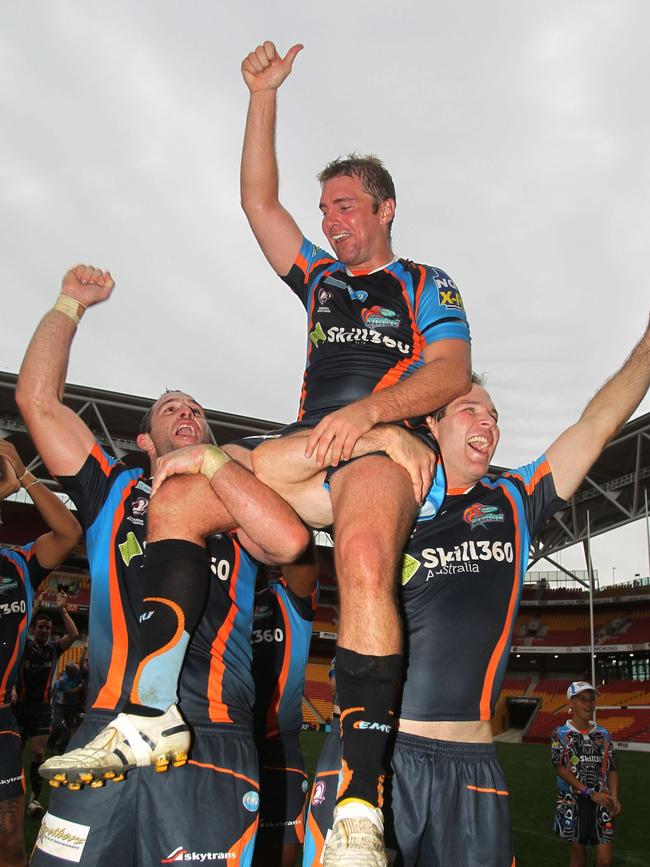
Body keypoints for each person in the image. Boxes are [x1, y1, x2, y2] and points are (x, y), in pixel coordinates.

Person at [287, 315, 648, 865]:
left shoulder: (514, 500)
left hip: (473, 768)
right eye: (471, 409)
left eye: (494, 416)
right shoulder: (380, 493)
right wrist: (380, 434)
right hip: (375, 755)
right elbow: (284, 489)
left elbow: (597, 424)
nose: (488, 422)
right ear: (431, 425)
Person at [234, 40, 473, 865]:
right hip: (309, 455)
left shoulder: (425, 283)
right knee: (191, 485)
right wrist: (264, 96)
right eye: (326, 208)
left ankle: (361, 805)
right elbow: (260, 204)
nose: (331, 221)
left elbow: (450, 371)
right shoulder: (319, 280)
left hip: (384, 452)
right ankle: (146, 706)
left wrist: (375, 415)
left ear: (385, 208)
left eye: (344, 206)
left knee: (364, 554)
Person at [16, 265, 309, 864]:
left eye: (195, 409)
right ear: (146, 441)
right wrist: (69, 304)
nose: (186, 413)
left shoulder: (237, 493)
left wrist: (221, 465)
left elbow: (285, 545)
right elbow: (36, 401)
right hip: (106, 729)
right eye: (170, 408)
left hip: (212, 732)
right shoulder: (115, 492)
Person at [0, 440, 81, 867]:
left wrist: (24, 476)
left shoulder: (17, 565)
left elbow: (69, 533)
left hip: (2, 719)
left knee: (10, 841)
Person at [251, 550, 318, 867]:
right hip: (230, 747)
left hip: (281, 752)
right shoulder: (221, 600)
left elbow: (297, 546)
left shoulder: (290, 598)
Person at [552, 682, 620, 867]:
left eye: (591, 699)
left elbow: (612, 768)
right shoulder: (560, 734)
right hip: (572, 801)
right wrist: (589, 793)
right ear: (571, 702)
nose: (588, 704)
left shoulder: (604, 734)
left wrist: (614, 797)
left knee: (606, 861)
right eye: (582, 699)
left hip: (603, 801)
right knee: (578, 859)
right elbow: (560, 769)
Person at [47, 662, 83, 754]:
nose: (76, 673)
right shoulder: (63, 680)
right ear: (69, 672)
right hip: (60, 705)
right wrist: (80, 687)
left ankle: (63, 749)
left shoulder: (77, 672)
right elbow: (70, 692)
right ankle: (51, 744)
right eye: (74, 671)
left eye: (76, 671)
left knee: (68, 727)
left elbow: (82, 666)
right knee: (58, 725)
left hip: (71, 706)